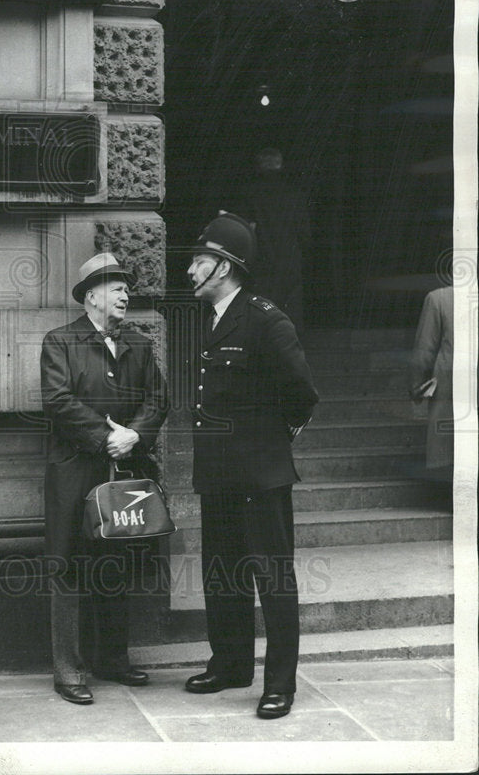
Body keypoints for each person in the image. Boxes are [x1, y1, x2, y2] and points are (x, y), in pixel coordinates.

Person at [183, 212, 319, 719]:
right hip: (218, 474)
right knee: (222, 574)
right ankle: (230, 664)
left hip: (260, 475)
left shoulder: (265, 318)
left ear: (222, 266)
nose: (190, 270)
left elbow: (301, 392)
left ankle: (279, 683)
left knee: (273, 579)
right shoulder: (214, 319)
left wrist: (270, 440)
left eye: (199, 261)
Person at [40, 252, 169, 705]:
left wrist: (135, 435)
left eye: (127, 289)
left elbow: (158, 398)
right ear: (92, 296)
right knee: (68, 565)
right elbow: (58, 401)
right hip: (75, 474)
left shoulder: (138, 344)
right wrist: (105, 438)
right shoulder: (60, 342)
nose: (126, 295)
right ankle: (69, 670)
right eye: (117, 288)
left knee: (115, 562)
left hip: (123, 471)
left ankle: (113, 659)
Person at [234, 148, 311, 333]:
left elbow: (245, 230)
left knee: (262, 308)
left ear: (259, 166)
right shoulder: (294, 194)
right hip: (289, 258)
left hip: (261, 258)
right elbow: (304, 233)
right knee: (291, 309)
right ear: (280, 165)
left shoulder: (249, 193)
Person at [409, 285, 454, 478]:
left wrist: (417, 387)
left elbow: (425, 350)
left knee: (452, 451)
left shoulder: (440, 299)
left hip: (451, 387)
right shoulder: (438, 299)